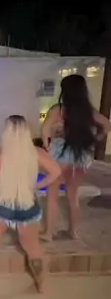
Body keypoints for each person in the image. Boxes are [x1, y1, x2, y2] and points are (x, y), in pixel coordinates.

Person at [0, 115, 61, 295]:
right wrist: (37, 186)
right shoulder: (36, 153)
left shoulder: (1, 154)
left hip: (0, 207)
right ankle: (41, 286)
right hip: (27, 207)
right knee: (34, 251)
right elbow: (56, 172)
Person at [42, 74, 111, 240]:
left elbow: (45, 129)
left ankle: (49, 233)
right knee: (73, 196)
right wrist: (96, 139)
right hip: (80, 155)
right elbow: (107, 125)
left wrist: (47, 145)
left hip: (60, 155)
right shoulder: (88, 112)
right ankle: (74, 231)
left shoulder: (59, 110)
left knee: (52, 195)